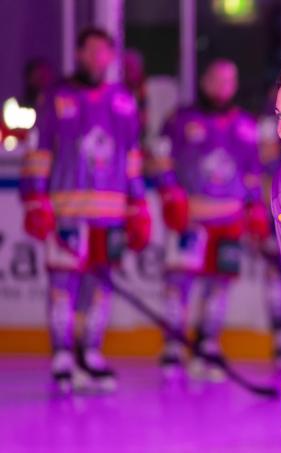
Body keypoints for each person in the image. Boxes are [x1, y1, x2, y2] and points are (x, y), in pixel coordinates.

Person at [19, 27, 150, 392]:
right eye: (90, 51)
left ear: (111, 57)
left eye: (103, 52)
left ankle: (90, 354)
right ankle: (62, 355)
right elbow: (39, 151)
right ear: (78, 54)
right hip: (67, 213)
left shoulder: (124, 101)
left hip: (109, 217)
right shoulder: (56, 98)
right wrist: (35, 198)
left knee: (100, 288)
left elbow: (132, 158)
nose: (96, 58)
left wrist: (139, 206)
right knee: (63, 286)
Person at [152, 59, 269, 380]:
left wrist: (255, 207)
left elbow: (252, 173)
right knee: (179, 286)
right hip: (191, 217)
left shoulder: (246, 126)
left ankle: (207, 346)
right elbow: (160, 160)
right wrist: (169, 193)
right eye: (217, 79)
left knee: (219, 287)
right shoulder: (179, 120)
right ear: (204, 81)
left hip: (229, 219)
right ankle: (174, 347)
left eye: (229, 80)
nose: (222, 86)